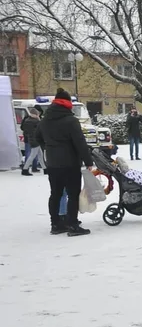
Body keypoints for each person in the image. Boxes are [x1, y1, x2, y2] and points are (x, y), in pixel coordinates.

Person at [36, 88, 93, 236]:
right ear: (67, 104)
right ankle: (73, 225)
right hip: (70, 164)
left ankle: (55, 224)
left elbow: (37, 138)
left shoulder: (44, 120)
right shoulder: (71, 121)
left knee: (55, 194)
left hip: (53, 164)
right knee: (73, 194)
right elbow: (80, 143)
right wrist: (88, 160)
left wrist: (48, 147)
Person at [20, 106, 43, 176]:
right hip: (33, 140)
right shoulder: (35, 120)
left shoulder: (28, 119)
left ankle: (42, 168)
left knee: (38, 155)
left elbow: (23, 128)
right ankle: (26, 168)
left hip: (30, 139)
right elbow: (39, 130)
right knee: (31, 155)